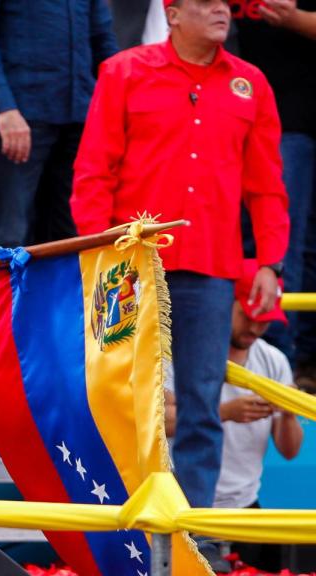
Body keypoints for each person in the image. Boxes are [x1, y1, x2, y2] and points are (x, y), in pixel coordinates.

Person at [69, 0, 289, 509]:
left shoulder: (251, 82)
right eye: (206, 3)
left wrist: (270, 263)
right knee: (118, 395)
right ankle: (114, 524)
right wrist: (98, 253)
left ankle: (193, 535)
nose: (221, 11)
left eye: (224, 4)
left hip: (212, 266)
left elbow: (267, 186)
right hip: (129, 264)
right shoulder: (124, 71)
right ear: (173, 14)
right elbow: (94, 170)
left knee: (201, 404)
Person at [0, 0, 117, 255]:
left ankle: (62, 285)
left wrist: (120, 101)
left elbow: (102, 37)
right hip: (17, 118)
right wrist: (4, 107)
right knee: (8, 234)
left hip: (79, 114)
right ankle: (2, 285)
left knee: (71, 232)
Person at [232, 0, 316, 370]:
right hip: (226, 111)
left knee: (284, 249)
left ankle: (279, 364)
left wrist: (295, 18)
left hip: (293, 119)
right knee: (241, 244)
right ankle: (244, 360)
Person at [214, 259, 303, 571]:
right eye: (248, 316)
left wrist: (289, 413)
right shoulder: (182, 353)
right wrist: (225, 412)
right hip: (189, 507)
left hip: (245, 507)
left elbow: (289, 451)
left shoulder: (273, 360)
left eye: (264, 320)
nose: (255, 327)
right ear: (226, 304)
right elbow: (155, 422)